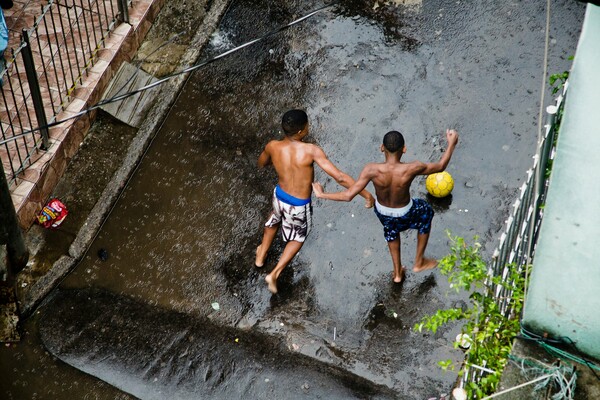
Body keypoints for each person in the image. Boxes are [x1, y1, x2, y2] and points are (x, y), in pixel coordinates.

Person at [312, 129, 458, 283]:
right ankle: (419, 261)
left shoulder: (371, 169)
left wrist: (323, 194)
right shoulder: (413, 167)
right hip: (405, 211)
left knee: (391, 232)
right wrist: (451, 144)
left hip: (383, 212)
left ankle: (397, 274)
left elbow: (348, 195)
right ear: (404, 149)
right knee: (426, 212)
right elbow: (441, 166)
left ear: (382, 148)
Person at [255, 109, 375, 294]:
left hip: (279, 196)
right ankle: (274, 274)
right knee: (298, 237)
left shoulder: (273, 146)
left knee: (274, 219)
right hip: (298, 205)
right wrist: (366, 194)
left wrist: (280, 162)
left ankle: (261, 255)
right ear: (302, 131)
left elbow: (262, 163)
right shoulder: (311, 151)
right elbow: (340, 177)